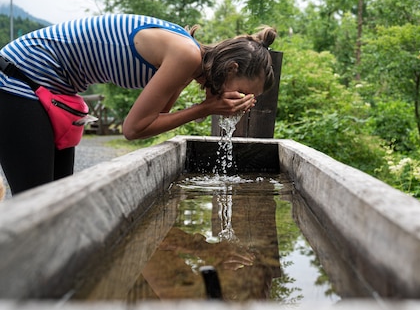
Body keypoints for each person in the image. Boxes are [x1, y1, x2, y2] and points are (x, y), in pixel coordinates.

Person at [0, 14, 276, 195]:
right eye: (241, 91)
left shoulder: (189, 59)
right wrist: (205, 109)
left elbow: (157, 118)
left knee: (57, 199)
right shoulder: (185, 54)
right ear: (231, 68)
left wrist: (207, 103)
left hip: (48, 87)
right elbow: (133, 129)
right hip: (19, 76)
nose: (240, 100)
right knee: (36, 200)